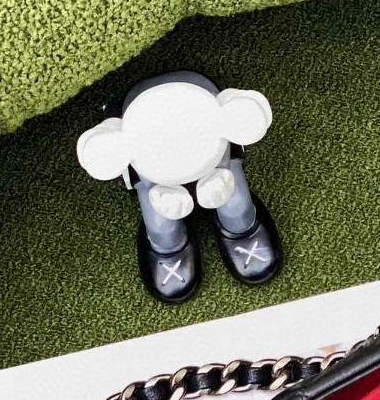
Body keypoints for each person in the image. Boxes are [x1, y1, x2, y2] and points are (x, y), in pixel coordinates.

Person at [76, 71, 282, 303]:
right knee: (161, 223)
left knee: (235, 203)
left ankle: (235, 218)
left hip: (209, 150)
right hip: (152, 161)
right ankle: (167, 237)